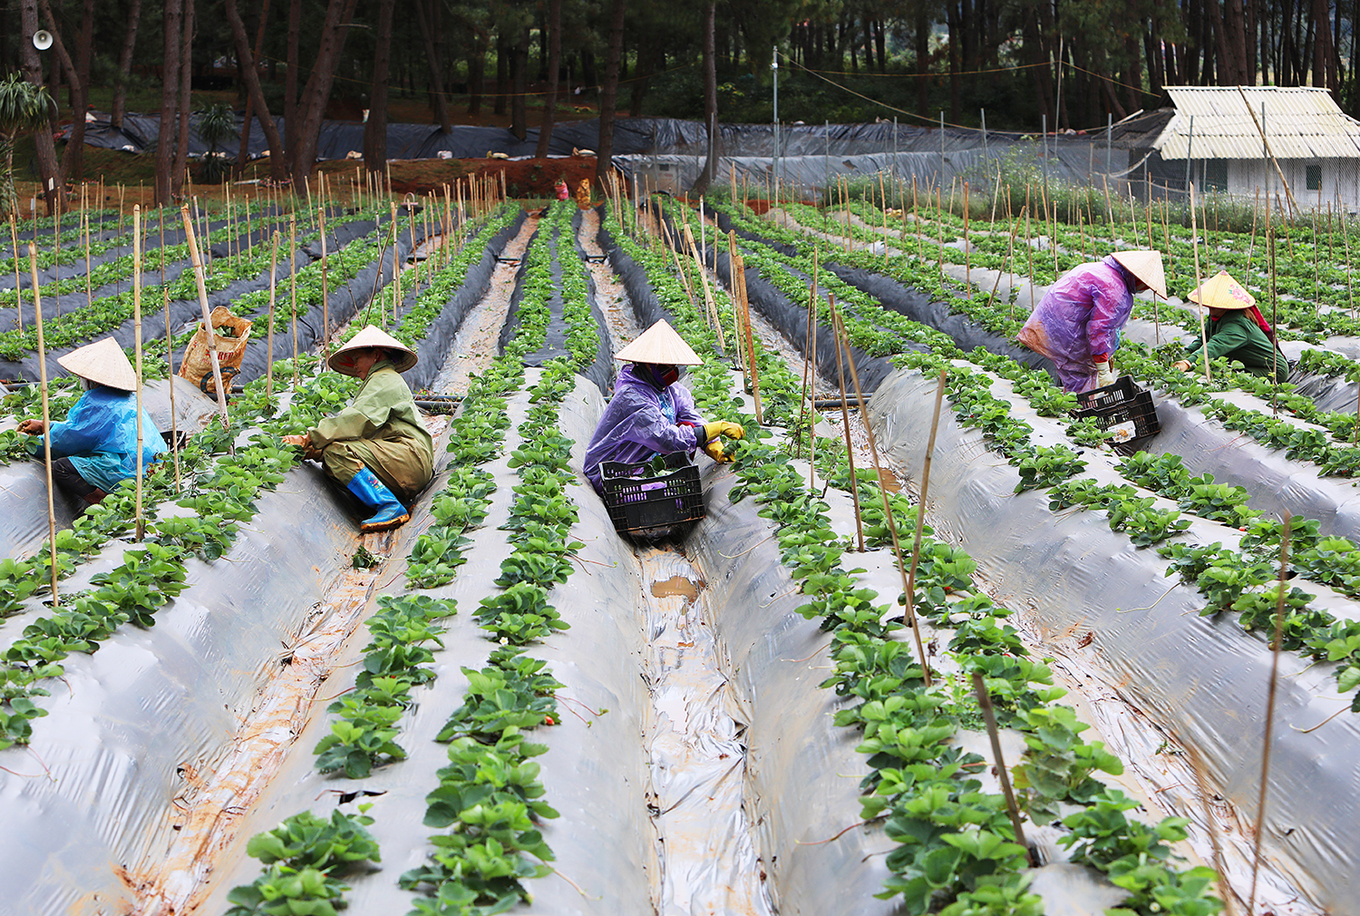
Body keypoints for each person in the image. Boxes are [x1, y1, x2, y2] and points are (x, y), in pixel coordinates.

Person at [282, 326, 434, 533]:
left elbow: (356, 421)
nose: (354, 365)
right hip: (406, 460)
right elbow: (364, 435)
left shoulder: (384, 379)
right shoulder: (380, 379)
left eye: (357, 358)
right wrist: (314, 451)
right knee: (331, 456)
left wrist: (309, 439)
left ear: (376, 355)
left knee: (337, 453)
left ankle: (388, 505)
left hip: (409, 459)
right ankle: (392, 499)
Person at [583, 319, 745, 493]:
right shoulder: (632, 398)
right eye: (662, 365)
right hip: (613, 473)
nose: (670, 369)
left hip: (642, 465)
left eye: (672, 364)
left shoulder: (669, 391)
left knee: (687, 430)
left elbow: (690, 418)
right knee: (667, 490)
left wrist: (713, 446)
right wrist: (717, 427)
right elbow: (667, 439)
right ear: (645, 364)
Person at [18, 336, 166, 506]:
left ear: (91, 380)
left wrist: (27, 442)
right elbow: (87, 432)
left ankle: (106, 503)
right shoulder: (126, 398)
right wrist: (48, 426)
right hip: (155, 465)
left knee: (62, 468)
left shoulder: (98, 403)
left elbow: (67, 441)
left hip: (130, 470)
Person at [1017, 249, 1167, 393]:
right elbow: (1100, 328)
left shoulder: (1101, 270)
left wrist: (1108, 352)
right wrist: (1102, 366)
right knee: (1079, 376)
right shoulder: (1114, 288)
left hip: (1052, 322)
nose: (1145, 289)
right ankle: (1078, 413)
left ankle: (1074, 408)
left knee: (1076, 377)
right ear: (1137, 277)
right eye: (1146, 285)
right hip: (1068, 331)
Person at [1174, 270, 1290, 382]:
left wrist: (1188, 363)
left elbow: (1215, 346)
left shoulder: (1237, 324)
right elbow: (1203, 339)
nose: (1210, 307)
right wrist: (1184, 355)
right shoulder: (1216, 316)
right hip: (1248, 363)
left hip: (1271, 370)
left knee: (1228, 377)